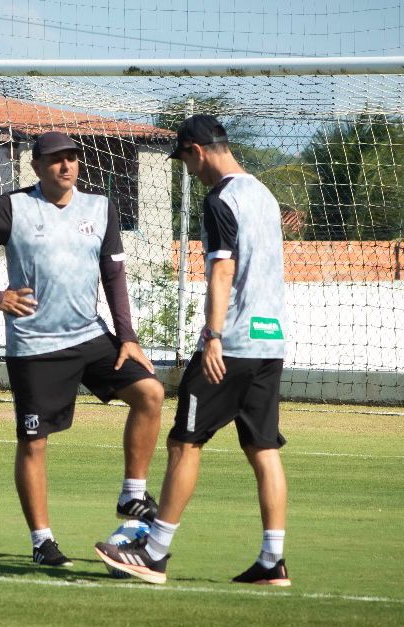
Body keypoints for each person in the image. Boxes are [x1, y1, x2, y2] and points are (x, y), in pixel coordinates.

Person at [0, 131, 165, 567]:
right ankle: (42, 542)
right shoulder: (15, 208)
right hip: (35, 346)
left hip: (89, 336)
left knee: (151, 394)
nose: (65, 166)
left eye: (71, 158)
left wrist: (127, 336)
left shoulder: (100, 208)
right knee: (34, 442)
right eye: (54, 160)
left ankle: (132, 495)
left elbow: (114, 275)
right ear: (36, 167)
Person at [95, 115, 291, 586]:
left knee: (185, 442)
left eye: (184, 159)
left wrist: (214, 336)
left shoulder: (220, 198)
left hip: (234, 344)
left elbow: (222, 272)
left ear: (197, 150)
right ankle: (272, 560)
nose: (188, 169)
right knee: (263, 449)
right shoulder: (263, 193)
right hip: (271, 341)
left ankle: (155, 552)